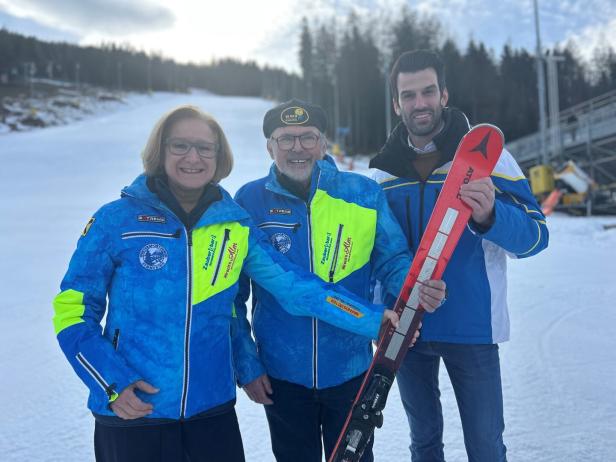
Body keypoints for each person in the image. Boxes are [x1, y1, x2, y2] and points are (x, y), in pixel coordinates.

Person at [52, 105, 403, 462]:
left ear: (219, 156)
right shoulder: (116, 220)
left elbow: (296, 289)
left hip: (212, 413)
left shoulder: (234, 225)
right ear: (160, 150)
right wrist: (111, 380)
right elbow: (72, 311)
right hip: (135, 410)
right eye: (180, 146)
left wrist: (371, 320)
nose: (194, 157)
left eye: (206, 148)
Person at [232, 99, 447, 462]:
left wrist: (414, 292)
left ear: (323, 143)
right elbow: (232, 297)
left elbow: (392, 259)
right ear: (269, 146)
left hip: (351, 370)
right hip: (282, 374)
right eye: (285, 139)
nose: (297, 148)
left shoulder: (362, 193)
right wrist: (247, 364)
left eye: (308, 137)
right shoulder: (250, 200)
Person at [369, 50, 549, 461]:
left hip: (472, 329)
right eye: (409, 95)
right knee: (424, 444)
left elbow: (536, 237)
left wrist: (489, 215)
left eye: (428, 91)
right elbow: (375, 256)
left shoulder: (488, 159)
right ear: (397, 104)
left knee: (486, 447)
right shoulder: (380, 175)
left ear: (444, 94)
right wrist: (376, 316)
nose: (420, 103)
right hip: (407, 330)